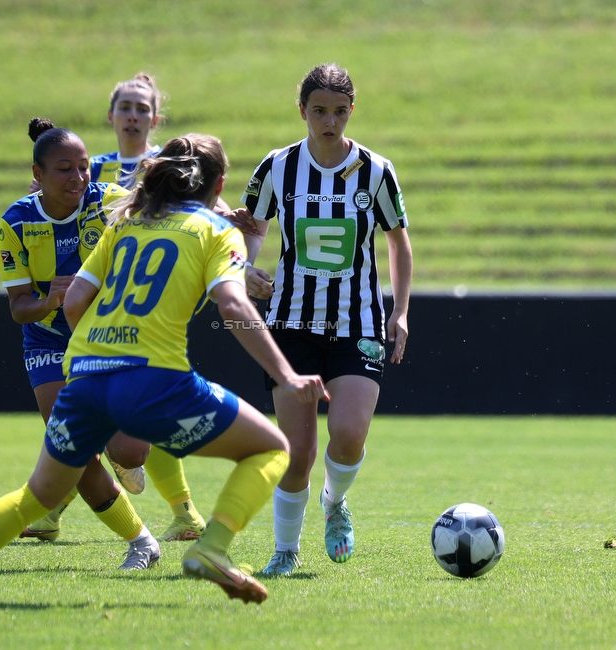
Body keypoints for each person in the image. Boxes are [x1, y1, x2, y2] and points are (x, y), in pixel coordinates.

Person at [0, 134, 329, 605]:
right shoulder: (215, 230)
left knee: (37, 495)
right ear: (219, 184)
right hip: (155, 379)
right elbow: (232, 305)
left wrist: (100, 348)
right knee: (271, 450)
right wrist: (286, 374)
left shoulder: (125, 223)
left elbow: (75, 303)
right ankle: (211, 548)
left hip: (84, 378)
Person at [238, 63, 413, 576]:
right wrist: (246, 267)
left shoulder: (376, 171)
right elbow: (252, 226)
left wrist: (399, 312)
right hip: (290, 324)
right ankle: (285, 550)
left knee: (351, 432)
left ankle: (335, 503)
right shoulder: (277, 167)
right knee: (297, 453)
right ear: (302, 112)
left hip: (357, 323)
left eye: (339, 111)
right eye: (319, 111)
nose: (329, 121)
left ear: (351, 111)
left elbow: (398, 242)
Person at [29, 74, 212, 543]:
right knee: (92, 412)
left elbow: (202, 204)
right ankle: (54, 510)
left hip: (143, 308)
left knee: (132, 413)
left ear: (156, 118)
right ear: (111, 116)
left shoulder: (164, 166)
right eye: (124, 106)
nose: (132, 114)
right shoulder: (92, 168)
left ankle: (183, 511)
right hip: (91, 308)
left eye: (141, 107)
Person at [0, 118, 160, 569]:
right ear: (38, 174)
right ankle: (142, 542)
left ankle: (114, 459)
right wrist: (48, 298)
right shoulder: (16, 221)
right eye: (65, 169)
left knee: (130, 452)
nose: (79, 178)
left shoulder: (106, 202)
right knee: (72, 445)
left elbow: (164, 208)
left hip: (107, 339)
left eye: (85, 167)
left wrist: (222, 215)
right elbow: (18, 307)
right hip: (48, 341)